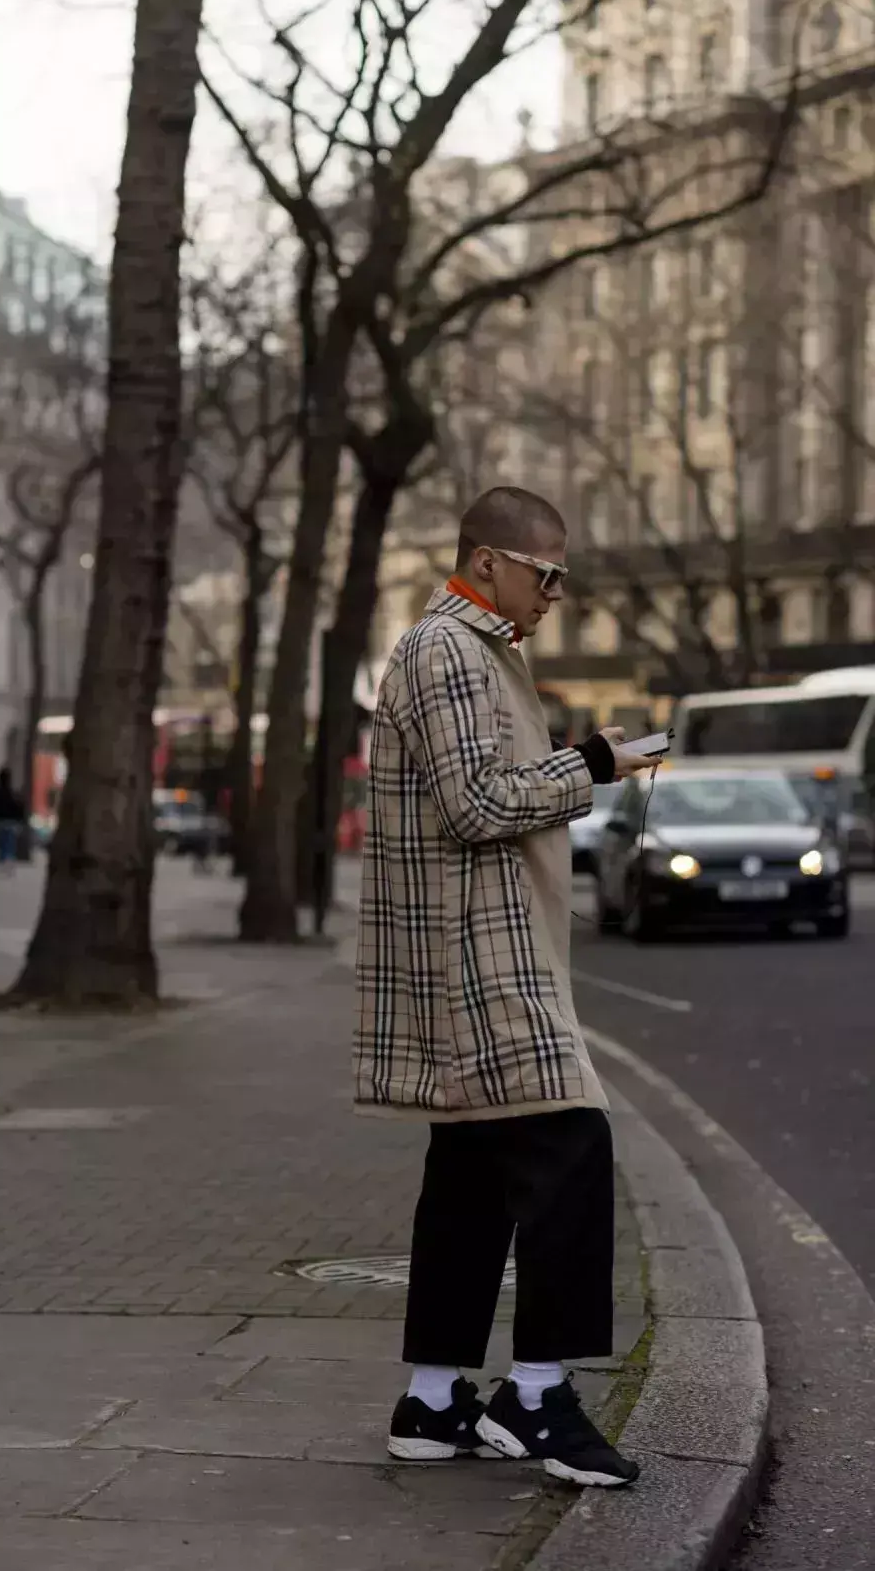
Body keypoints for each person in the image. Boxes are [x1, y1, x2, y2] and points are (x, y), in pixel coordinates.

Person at [354, 485, 658, 1488]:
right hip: (476, 955)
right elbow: (477, 800)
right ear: (487, 562)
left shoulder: (481, 653)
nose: (556, 593)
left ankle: (433, 1400)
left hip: (486, 944)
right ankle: (535, 1397)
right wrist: (595, 763)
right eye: (546, 573)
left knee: (474, 1177)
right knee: (574, 1138)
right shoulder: (444, 651)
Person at [0, 766, 25, 872]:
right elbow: (18, 806)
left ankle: (2, 861)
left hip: (0, 820)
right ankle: (8, 862)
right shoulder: (12, 792)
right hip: (10, 821)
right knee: (9, 843)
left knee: (2, 843)